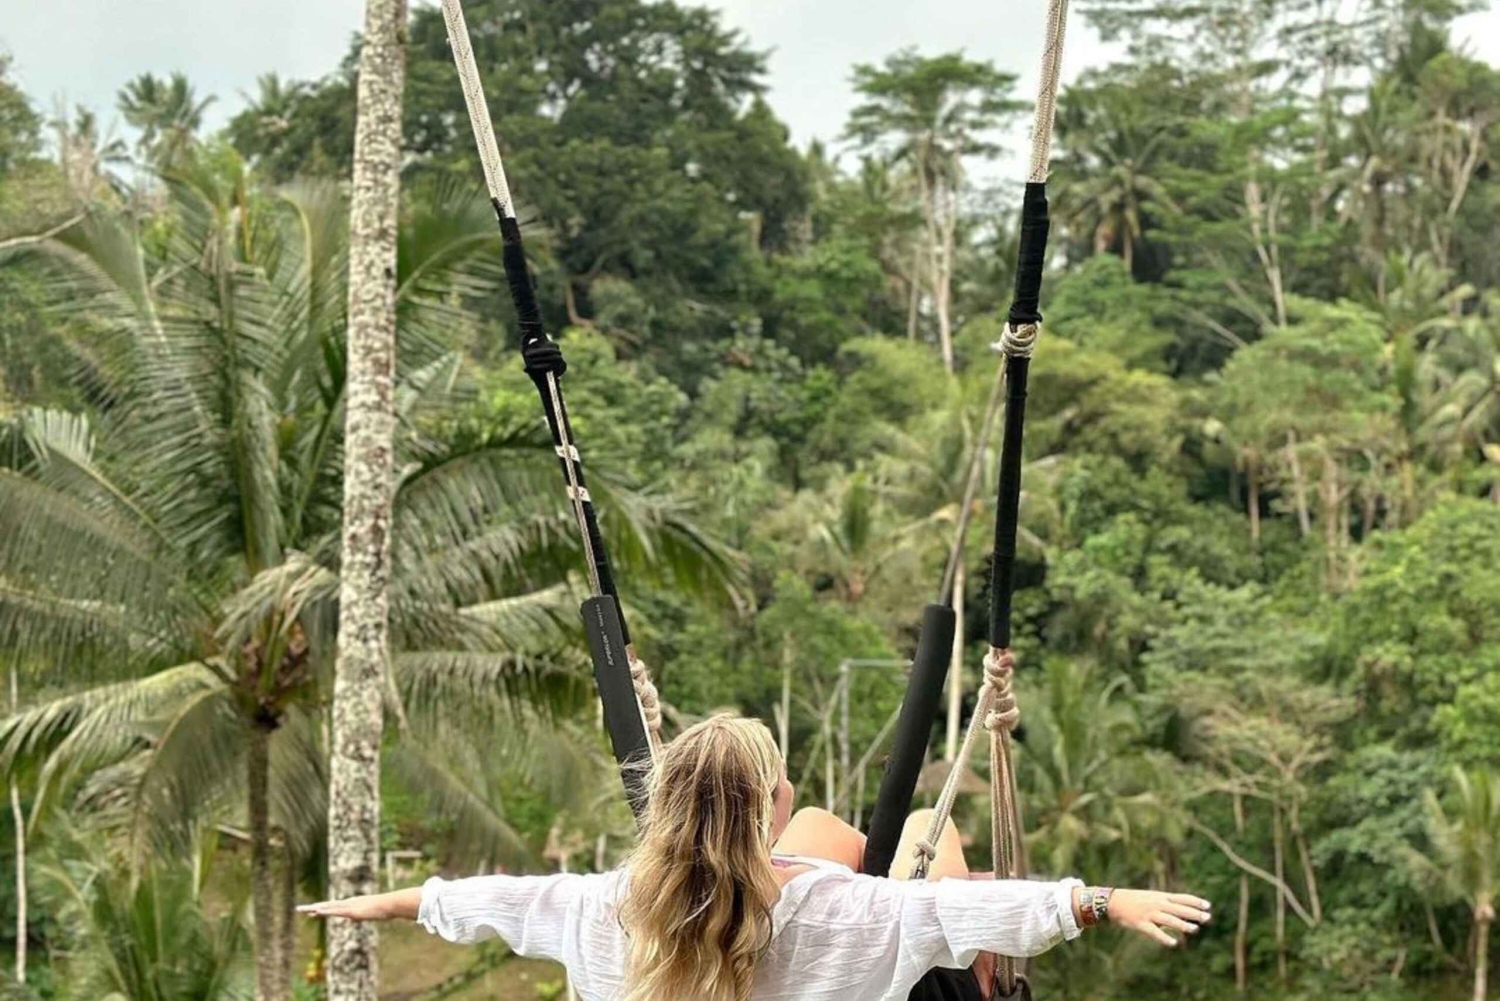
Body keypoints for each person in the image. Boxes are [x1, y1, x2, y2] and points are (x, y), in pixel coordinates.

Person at [302, 714, 1209, 1001]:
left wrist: (387, 902)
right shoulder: (834, 916)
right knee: (934, 827)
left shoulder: (613, 906)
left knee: (831, 834)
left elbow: (500, 901)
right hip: (850, 961)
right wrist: (1100, 900)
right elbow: (957, 913)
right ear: (764, 807)